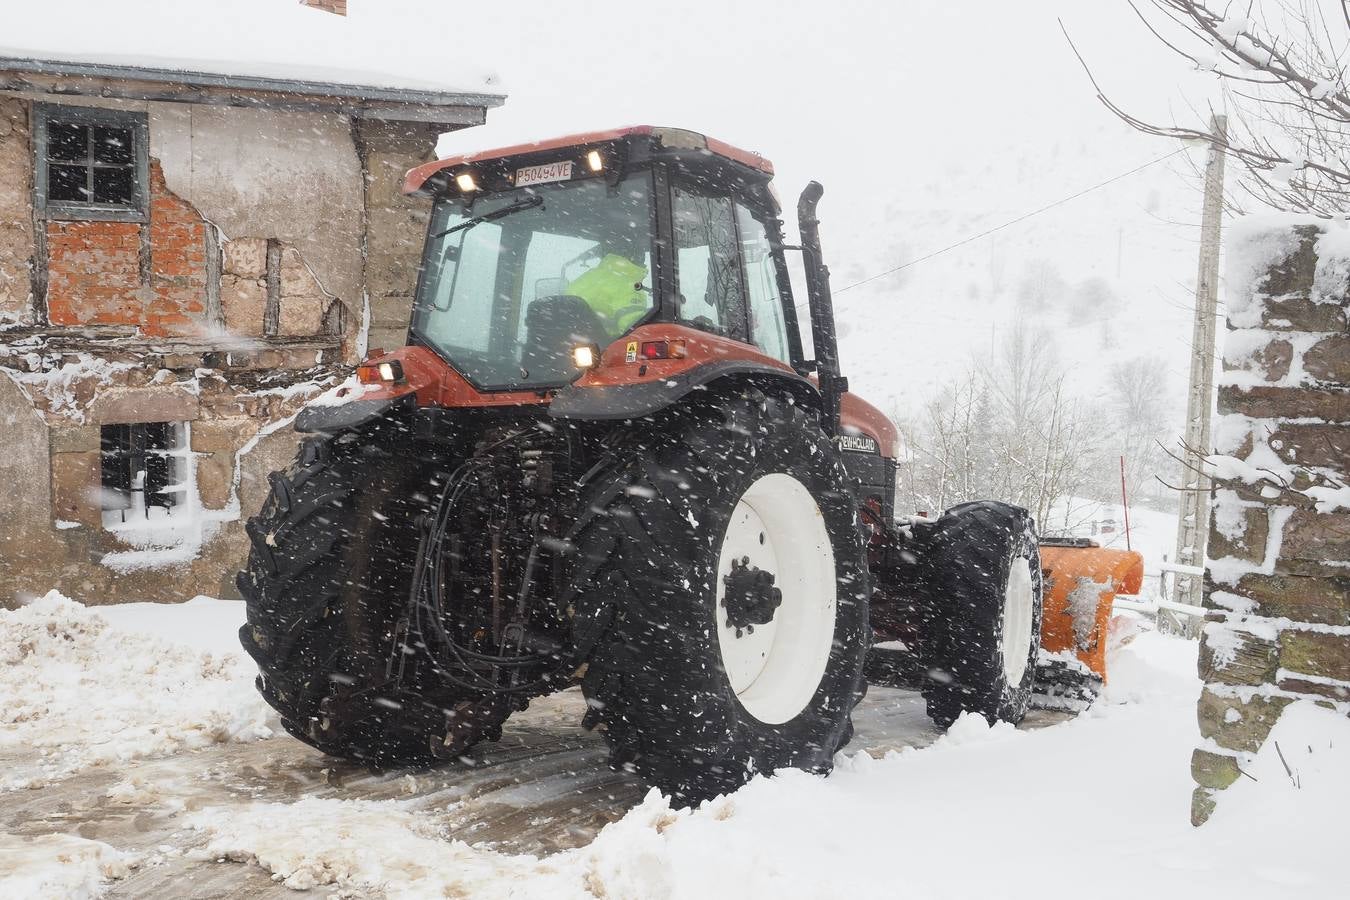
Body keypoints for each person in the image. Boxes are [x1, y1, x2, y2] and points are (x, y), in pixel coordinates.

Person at [564, 253, 651, 336]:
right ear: (635, 259)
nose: (644, 265)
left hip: (570, 340)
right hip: (604, 345)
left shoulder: (586, 277)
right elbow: (634, 327)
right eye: (643, 260)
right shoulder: (629, 286)